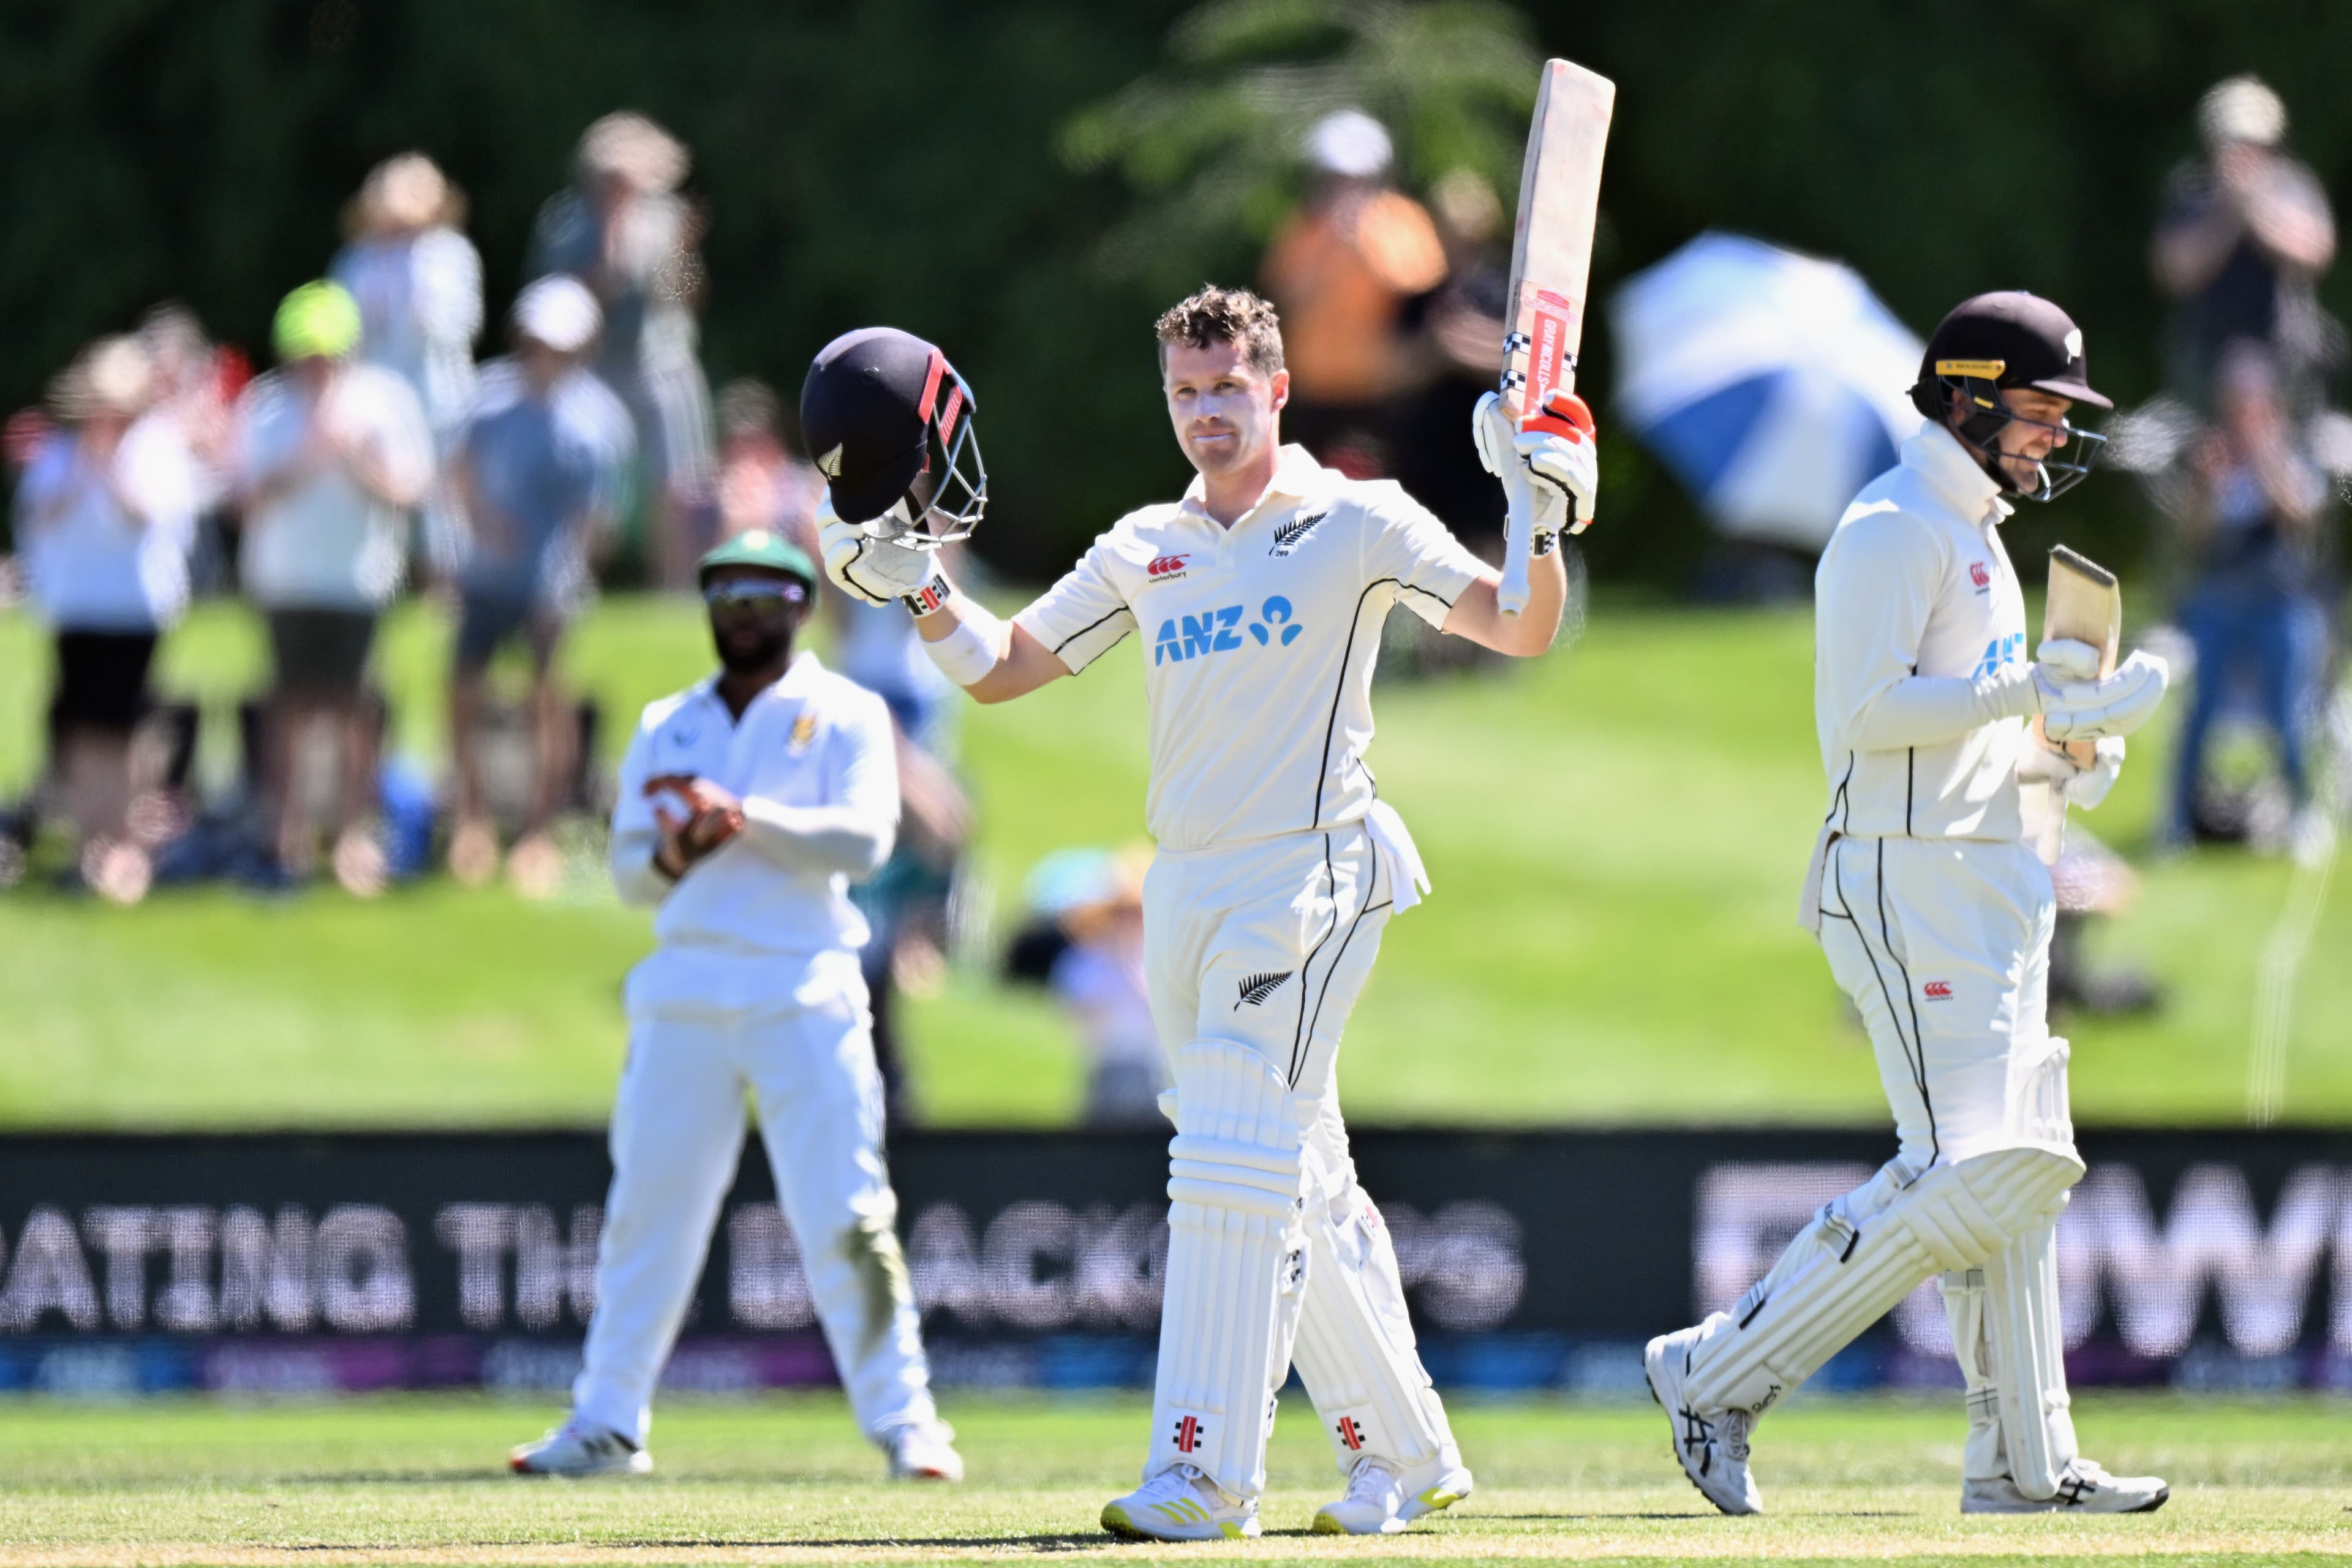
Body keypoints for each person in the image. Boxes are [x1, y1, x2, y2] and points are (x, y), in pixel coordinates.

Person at [809, 293, 1594, 1538]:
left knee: (1230, 1155)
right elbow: (1007, 668)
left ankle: (1205, 1474)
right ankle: (1406, 1452)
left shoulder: (1357, 518)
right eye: (1186, 392)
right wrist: (919, 592)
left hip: (1312, 872)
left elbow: (1519, 624)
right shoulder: (1148, 543)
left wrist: (1539, 514)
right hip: (1185, 886)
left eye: (1229, 387)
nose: (1207, 412)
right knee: (1291, 1172)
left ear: (1277, 388)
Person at [1643, 293, 2174, 1517]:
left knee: (2008, 1180)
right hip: (1904, 875)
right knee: (1966, 1172)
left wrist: (2071, 742)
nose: (2054, 434)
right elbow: (1867, 718)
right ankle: (1713, 1374)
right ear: (1968, 399)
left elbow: (1977, 733)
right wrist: (2020, 687)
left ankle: (2024, 1466)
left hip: (1990, 876)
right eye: (2039, 409)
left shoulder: (1975, 531)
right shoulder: (1889, 528)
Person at [507, 529, 960, 1483]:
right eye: (727, 598)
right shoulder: (668, 720)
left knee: (845, 1209)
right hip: (687, 985)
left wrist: (747, 819)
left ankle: (907, 1422)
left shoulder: (847, 711)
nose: (743, 617)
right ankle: (607, 1419)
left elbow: (866, 843)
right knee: (649, 1209)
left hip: (803, 981)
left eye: (764, 599)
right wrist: (684, 849)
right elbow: (633, 874)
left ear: (801, 608)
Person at [233, 281, 433, 894]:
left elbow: (412, 490)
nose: (317, 369)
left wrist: (360, 461)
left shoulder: (384, 401)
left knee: (355, 710)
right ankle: (286, 837)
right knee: (288, 708)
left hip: (358, 581)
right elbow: (241, 498)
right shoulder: (267, 406)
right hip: (285, 582)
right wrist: (303, 458)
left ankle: (352, 836)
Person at [444, 274, 633, 897]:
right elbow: (458, 473)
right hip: (486, 576)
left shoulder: (597, 421)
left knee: (548, 699)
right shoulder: (488, 401)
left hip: (551, 587)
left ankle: (538, 833)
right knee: (464, 690)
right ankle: (471, 819)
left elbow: (599, 519)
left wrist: (571, 575)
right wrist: (481, 525)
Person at [12, 336, 201, 902]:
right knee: (79, 727)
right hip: (76, 608)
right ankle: (86, 841)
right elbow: (40, 516)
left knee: (125, 730)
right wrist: (81, 467)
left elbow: (150, 515)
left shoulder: (156, 448)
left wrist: (110, 466)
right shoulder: (61, 453)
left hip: (133, 610)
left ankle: (125, 844)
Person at [526, 111, 715, 591]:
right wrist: (608, 256)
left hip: (662, 362)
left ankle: (675, 586)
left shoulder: (665, 219)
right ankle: (569, 582)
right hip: (593, 366)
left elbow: (687, 297)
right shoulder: (565, 225)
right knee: (587, 478)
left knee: (676, 482)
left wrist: (684, 255)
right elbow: (557, 303)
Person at [2162, 340, 2334, 859]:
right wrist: (2208, 486)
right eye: (2233, 402)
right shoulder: (2208, 459)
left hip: (2281, 602)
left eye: (2251, 402)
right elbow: (2192, 536)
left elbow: (2301, 517)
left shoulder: (2294, 453)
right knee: (2199, 714)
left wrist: (2264, 458)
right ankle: (2177, 822)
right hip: (2219, 601)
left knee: (2289, 714)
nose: (2241, 414)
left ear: (2270, 404)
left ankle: (2302, 815)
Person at [1261, 111, 1448, 478]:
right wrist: (1328, 251)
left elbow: (1420, 293)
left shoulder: (1402, 220)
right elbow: (1287, 298)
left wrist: (1362, 244)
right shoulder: (1305, 229)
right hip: (1315, 390)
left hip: (1382, 389)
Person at [331, 153, 483, 576]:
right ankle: (382, 570)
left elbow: (462, 321)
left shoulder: (449, 253)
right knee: (381, 475)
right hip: (376, 387)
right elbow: (340, 327)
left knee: (443, 488)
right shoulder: (357, 258)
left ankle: (446, 576)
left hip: (438, 388)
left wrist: (421, 307)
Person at [2152, 75, 2337, 415]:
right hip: (2206, 355)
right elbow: (2175, 272)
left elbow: (2316, 253)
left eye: (2253, 145)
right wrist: (2227, 216)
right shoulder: (2191, 191)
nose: (2242, 156)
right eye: (2231, 145)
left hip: (2285, 353)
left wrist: (2256, 212)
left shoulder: (2293, 185)